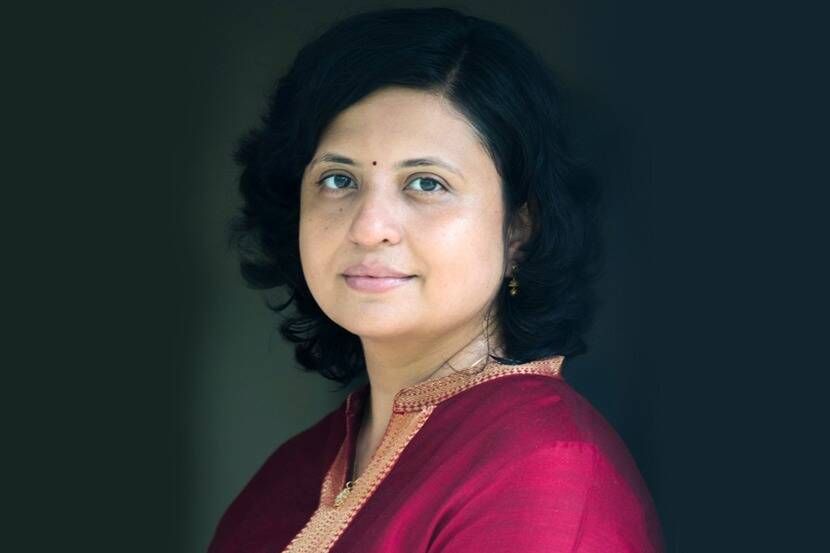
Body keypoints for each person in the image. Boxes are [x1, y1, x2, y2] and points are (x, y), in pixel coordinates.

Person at [208, 6, 664, 553]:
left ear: (519, 229)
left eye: (426, 183)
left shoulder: (546, 469)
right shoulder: (286, 478)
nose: (369, 227)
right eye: (338, 179)